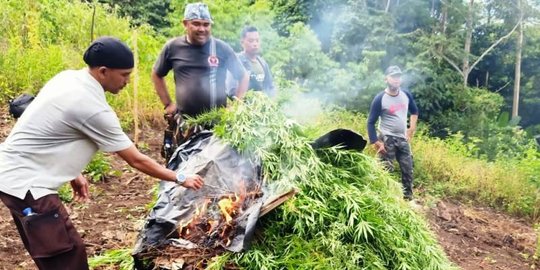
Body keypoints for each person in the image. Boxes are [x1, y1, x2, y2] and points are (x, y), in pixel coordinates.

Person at [0, 36, 204, 270]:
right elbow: (136, 159)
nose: (127, 81)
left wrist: (72, 172)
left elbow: (47, 128)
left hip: (13, 174)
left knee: (54, 254)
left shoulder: (68, 78)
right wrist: (180, 177)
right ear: (104, 71)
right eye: (124, 75)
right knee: (66, 257)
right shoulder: (92, 107)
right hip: (28, 186)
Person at [152, 2, 249, 118]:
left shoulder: (221, 48)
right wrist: (168, 104)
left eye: (206, 24)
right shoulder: (173, 47)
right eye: (196, 24)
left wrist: (236, 105)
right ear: (185, 24)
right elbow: (156, 74)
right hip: (185, 122)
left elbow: (243, 76)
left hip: (217, 123)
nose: (202, 29)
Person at [367, 65, 419, 200]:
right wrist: (376, 142)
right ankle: (383, 198)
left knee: (408, 169)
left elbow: (414, 111)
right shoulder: (380, 99)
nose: (396, 80)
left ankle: (407, 198)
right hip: (387, 139)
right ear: (386, 79)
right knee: (385, 170)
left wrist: (411, 129)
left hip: (403, 139)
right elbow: (370, 123)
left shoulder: (406, 95)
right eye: (393, 77)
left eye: (398, 77)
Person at [227, 26, 276, 97]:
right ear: (242, 42)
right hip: (242, 105)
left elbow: (270, 86)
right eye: (251, 41)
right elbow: (231, 90)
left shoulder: (263, 63)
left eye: (257, 41)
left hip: (261, 105)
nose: (255, 44)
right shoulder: (236, 61)